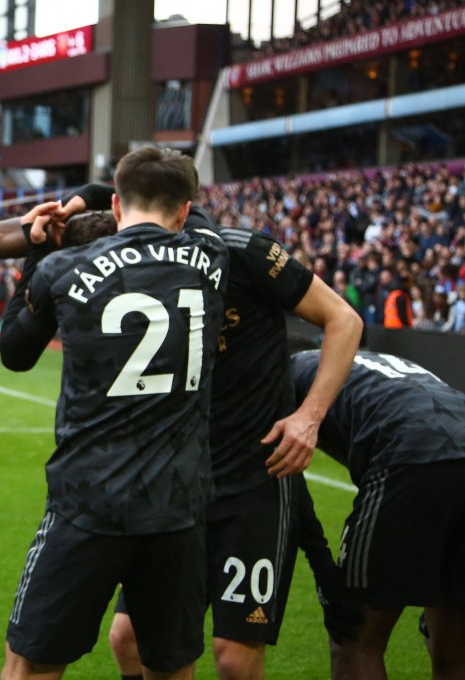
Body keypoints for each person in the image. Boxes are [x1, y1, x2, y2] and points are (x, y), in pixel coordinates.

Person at [32, 184, 362, 678]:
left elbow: (344, 318)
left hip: (254, 479)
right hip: (179, 486)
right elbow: (128, 183)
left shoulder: (238, 250)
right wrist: (78, 203)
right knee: (127, 639)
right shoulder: (138, 269)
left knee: (233, 654)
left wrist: (308, 417)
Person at [0, 146, 230, 680]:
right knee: (170, 666)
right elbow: (198, 218)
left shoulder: (64, 266)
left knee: (29, 663)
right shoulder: (213, 257)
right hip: (178, 505)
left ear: (118, 210)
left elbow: (13, 352)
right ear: (183, 209)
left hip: (89, 500)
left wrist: (41, 242)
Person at [291, 349, 465, 680]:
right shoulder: (370, 360)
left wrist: (321, 561)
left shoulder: (289, 372)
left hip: (411, 447)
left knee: (353, 636)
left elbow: (285, 485)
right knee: (457, 646)